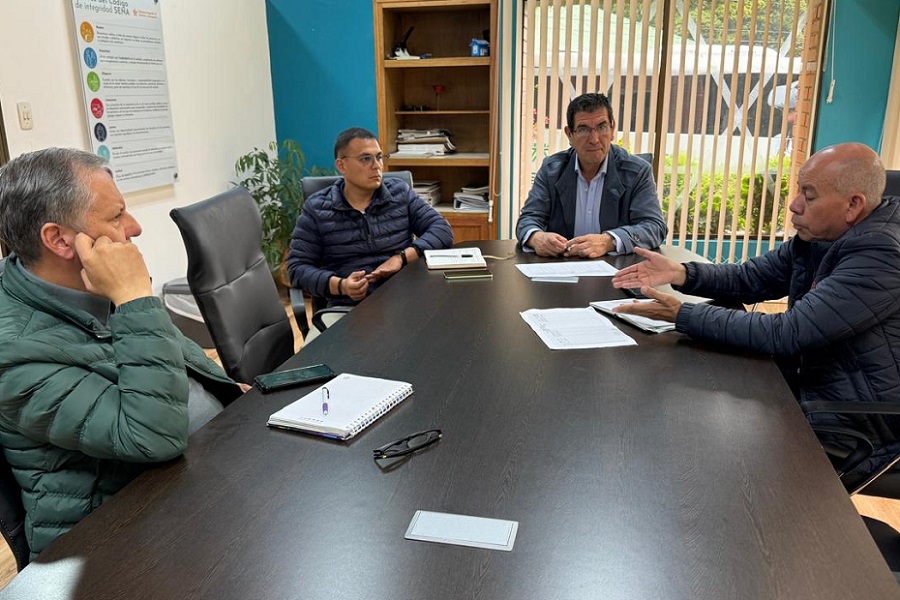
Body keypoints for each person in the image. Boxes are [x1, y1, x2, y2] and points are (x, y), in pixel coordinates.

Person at [0, 148, 243, 558]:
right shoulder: (14, 352)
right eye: (115, 217)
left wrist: (239, 395)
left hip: (196, 473)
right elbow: (152, 438)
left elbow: (178, 360)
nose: (134, 227)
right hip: (113, 542)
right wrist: (134, 298)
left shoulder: (89, 281)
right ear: (59, 239)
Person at [611, 142, 900, 477]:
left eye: (809, 196)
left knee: (703, 449)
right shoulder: (824, 234)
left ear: (853, 205)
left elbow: (789, 333)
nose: (794, 206)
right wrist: (684, 274)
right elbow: (751, 278)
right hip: (810, 386)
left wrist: (681, 315)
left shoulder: (880, 253)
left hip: (857, 422)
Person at [287, 127, 453, 304]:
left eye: (379, 157)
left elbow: (442, 230)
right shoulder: (317, 208)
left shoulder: (399, 193)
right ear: (341, 165)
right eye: (366, 159)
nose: (377, 166)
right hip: (351, 309)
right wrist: (341, 285)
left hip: (406, 299)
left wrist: (401, 258)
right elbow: (297, 269)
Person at [516, 92, 667, 258]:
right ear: (569, 135)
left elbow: (654, 227)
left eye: (602, 127)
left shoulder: (637, 172)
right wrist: (537, 238)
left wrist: (609, 241)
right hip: (562, 270)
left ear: (612, 129)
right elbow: (528, 220)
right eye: (583, 129)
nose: (594, 139)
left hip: (617, 273)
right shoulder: (552, 170)